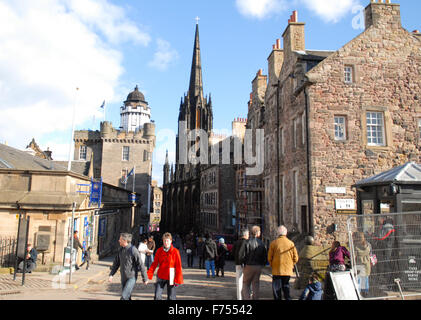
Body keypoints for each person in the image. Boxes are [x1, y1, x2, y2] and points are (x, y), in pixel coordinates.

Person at [109, 233, 148, 300]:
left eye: (120, 239)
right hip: (123, 277)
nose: (119, 240)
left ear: (125, 240)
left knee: (124, 297)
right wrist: (111, 274)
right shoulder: (121, 250)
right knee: (127, 297)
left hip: (131, 278)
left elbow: (141, 264)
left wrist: (145, 278)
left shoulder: (133, 250)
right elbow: (116, 263)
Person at [147, 232, 184, 300]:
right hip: (161, 274)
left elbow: (178, 266)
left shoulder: (175, 251)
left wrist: (178, 278)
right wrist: (149, 274)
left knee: (171, 297)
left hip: (171, 275)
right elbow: (154, 263)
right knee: (157, 296)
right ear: (163, 241)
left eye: (167, 241)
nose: (166, 242)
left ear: (171, 241)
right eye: (164, 241)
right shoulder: (159, 251)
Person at [268, 225, 299, 300]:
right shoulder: (291, 243)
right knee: (286, 287)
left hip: (276, 269)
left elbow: (269, 257)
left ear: (278, 233)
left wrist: (272, 265)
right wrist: (291, 264)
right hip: (287, 269)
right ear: (286, 233)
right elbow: (296, 258)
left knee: (276, 289)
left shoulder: (273, 243)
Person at [242, 226, 267, 300]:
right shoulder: (262, 244)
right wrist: (263, 264)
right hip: (258, 266)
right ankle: (255, 298)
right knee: (256, 284)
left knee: (246, 284)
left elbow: (243, 255)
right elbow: (265, 256)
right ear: (258, 233)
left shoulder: (247, 242)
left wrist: (244, 263)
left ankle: (247, 298)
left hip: (249, 265)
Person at [232, 228, 249, 300]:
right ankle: (246, 296)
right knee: (247, 281)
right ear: (245, 235)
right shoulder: (247, 242)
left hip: (238, 263)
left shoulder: (236, 242)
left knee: (238, 281)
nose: (248, 236)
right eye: (248, 234)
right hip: (246, 264)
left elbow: (233, 253)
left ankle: (239, 297)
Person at [353, 232, 371, 297]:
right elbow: (370, 253)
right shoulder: (368, 244)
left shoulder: (355, 245)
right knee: (365, 278)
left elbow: (353, 255)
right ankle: (365, 293)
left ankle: (358, 293)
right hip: (367, 264)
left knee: (359, 279)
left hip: (359, 264)